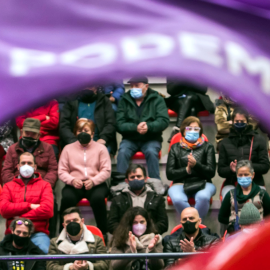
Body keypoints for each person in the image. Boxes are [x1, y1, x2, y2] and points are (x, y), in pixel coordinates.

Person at [58, 119, 111, 240]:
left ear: (92, 134)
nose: (83, 133)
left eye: (86, 130)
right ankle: (62, 234)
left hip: (96, 183)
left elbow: (106, 170)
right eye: (80, 130)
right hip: (75, 184)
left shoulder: (101, 148)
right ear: (75, 133)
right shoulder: (68, 148)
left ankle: (103, 233)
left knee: (98, 199)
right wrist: (72, 180)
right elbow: (62, 171)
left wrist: (94, 181)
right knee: (67, 198)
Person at [0, 152, 54, 254]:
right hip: (13, 234)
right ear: (18, 166)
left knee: (45, 255)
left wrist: (20, 219)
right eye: (23, 163)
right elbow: (4, 209)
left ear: (35, 166)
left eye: (29, 163)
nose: (26, 166)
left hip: (37, 233)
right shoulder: (8, 186)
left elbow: (47, 210)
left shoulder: (45, 185)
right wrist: (29, 206)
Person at [116, 76, 169, 179]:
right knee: (122, 152)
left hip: (151, 138)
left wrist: (149, 127)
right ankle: (122, 184)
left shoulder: (157, 99)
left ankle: (155, 184)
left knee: (151, 152)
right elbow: (119, 123)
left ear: (146, 86)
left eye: (137, 85)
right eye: (131, 86)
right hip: (130, 139)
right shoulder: (124, 99)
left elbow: (163, 121)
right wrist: (135, 127)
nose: (133, 88)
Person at [166, 116, 216, 218]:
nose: (192, 131)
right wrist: (186, 170)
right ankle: (191, 224)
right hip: (180, 183)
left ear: (200, 131)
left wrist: (196, 165)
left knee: (203, 197)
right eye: (189, 128)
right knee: (178, 199)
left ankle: (196, 226)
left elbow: (211, 172)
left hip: (204, 182)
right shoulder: (175, 148)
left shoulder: (208, 147)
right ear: (183, 131)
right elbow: (170, 174)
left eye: (196, 129)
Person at [218, 107, 270, 199]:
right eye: (236, 121)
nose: (239, 124)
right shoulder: (225, 142)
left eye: (242, 121)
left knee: (258, 201)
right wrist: (231, 170)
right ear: (232, 122)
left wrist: (247, 167)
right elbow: (221, 171)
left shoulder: (259, 140)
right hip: (232, 182)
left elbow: (265, 166)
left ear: (247, 122)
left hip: (255, 182)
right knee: (229, 199)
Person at [108, 164, 168, 235]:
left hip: (151, 238)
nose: (136, 179)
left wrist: (147, 233)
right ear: (127, 181)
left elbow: (163, 223)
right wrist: (127, 234)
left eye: (139, 176)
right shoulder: (118, 199)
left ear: (145, 179)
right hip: (125, 239)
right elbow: (111, 224)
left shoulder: (157, 198)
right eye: (132, 177)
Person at [1, 118, 58, 188]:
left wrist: (44, 186)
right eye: (27, 133)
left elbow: (53, 170)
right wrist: (16, 186)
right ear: (21, 132)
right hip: (17, 187)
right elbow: (6, 171)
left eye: (33, 134)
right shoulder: (12, 149)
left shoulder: (48, 148)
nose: (29, 136)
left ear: (39, 135)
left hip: (41, 186)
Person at [59, 86, 117, 154]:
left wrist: (103, 139)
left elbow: (111, 123)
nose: (87, 87)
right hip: (75, 143)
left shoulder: (104, 101)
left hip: (100, 141)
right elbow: (64, 125)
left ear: (96, 87)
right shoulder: (71, 101)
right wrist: (74, 142)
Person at [218, 160, 270, 235]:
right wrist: (233, 223)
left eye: (246, 174)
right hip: (236, 234)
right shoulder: (231, 194)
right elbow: (222, 217)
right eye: (240, 175)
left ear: (253, 175)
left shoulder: (262, 194)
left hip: (257, 233)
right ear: (236, 175)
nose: (243, 177)